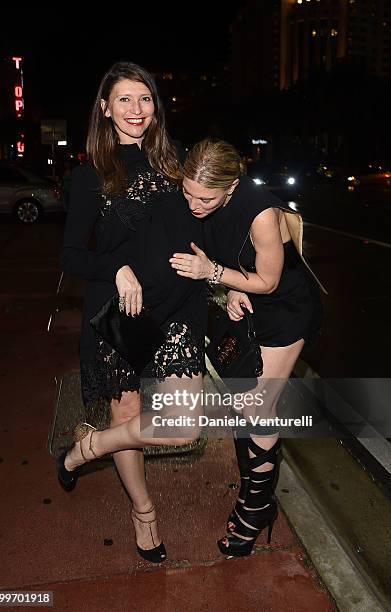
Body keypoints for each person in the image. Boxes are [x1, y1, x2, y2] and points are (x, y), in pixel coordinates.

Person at [58, 62, 207, 563]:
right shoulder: (89, 175)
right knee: (129, 414)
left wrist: (227, 277)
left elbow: (207, 220)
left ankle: (89, 447)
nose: (136, 110)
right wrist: (116, 268)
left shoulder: (178, 162)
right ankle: (144, 515)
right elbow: (71, 256)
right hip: (119, 312)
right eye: (124, 99)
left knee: (184, 423)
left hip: (181, 305)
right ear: (104, 107)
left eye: (145, 99)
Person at [168, 138, 325, 557]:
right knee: (245, 405)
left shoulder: (261, 212)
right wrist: (232, 285)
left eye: (205, 198)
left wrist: (213, 272)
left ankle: (256, 508)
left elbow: (271, 281)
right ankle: (258, 495)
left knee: (257, 407)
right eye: (187, 192)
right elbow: (242, 268)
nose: (194, 204)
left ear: (232, 186)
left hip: (287, 308)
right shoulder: (203, 203)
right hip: (253, 304)